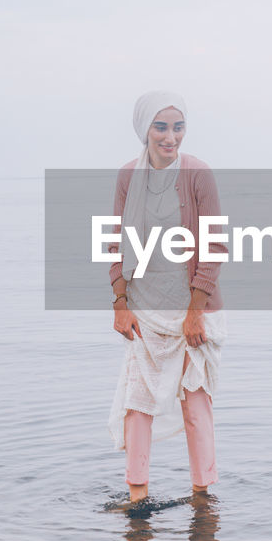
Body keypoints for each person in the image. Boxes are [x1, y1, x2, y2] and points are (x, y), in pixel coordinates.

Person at [108, 91, 227, 503]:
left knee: (196, 404)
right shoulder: (128, 176)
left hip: (190, 304)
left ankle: (203, 496)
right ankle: (137, 494)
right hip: (144, 306)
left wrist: (195, 312)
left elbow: (213, 246)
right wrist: (120, 305)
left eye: (178, 127)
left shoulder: (198, 174)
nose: (170, 137)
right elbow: (115, 244)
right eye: (161, 126)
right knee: (138, 402)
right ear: (145, 129)